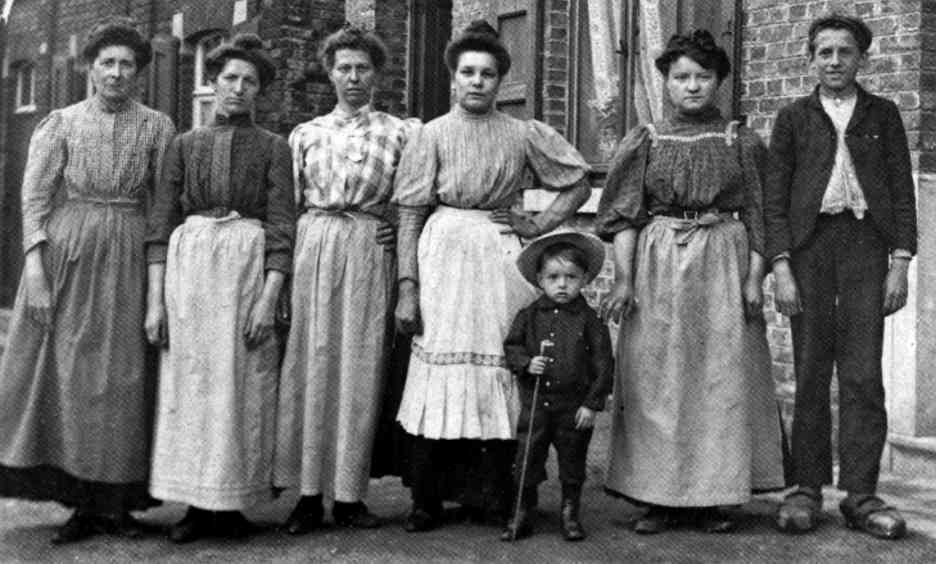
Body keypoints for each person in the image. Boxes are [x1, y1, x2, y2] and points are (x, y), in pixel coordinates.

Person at [393, 20, 591, 533]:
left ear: (500, 80)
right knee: (441, 368)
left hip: (499, 256)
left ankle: (497, 493)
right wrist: (408, 287)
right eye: (467, 72)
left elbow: (575, 181)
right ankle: (428, 498)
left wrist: (541, 224)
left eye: (487, 73)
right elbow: (411, 214)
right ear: (453, 79)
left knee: (501, 366)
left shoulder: (521, 133)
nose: (477, 81)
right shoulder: (430, 135)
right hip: (443, 255)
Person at [596, 29, 785, 534]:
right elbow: (622, 217)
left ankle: (712, 497)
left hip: (723, 255)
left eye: (703, 77)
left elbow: (763, 216)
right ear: (666, 83)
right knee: (658, 379)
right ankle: (657, 496)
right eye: (682, 77)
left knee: (717, 378)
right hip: (659, 261)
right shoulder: (646, 139)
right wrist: (623, 281)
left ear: (720, 81)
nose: (693, 87)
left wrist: (753, 280)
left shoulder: (739, 140)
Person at [0, 17, 174, 544]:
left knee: (120, 379)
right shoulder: (61, 123)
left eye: (126, 64)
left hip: (127, 252)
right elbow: (34, 198)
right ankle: (78, 501)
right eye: (107, 63)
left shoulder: (158, 127)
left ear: (139, 72)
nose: (117, 73)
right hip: (66, 254)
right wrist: (34, 267)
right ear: (90, 68)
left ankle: (115, 501)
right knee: (69, 375)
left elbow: (162, 208)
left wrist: (156, 285)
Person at [764, 15, 916, 540]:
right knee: (809, 372)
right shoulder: (793, 118)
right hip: (809, 251)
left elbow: (901, 191)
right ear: (811, 59)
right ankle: (806, 489)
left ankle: (860, 493)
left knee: (861, 375)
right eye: (824, 52)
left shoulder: (884, 114)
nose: (834, 62)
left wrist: (900, 262)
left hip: (865, 250)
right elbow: (775, 199)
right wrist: (780, 266)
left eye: (844, 52)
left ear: (862, 59)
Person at [145, 33, 295, 543]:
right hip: (191, 273)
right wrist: (155, 301)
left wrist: (267, 299)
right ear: (212, 83)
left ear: (260, 91)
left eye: (249, 81)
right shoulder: (183, 145)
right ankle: (193, 505)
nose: (238, 88)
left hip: (246, 272)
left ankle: (231, 505)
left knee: (241, 385)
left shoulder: (275, 149)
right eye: (229, 78)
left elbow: (281, 229)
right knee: (192, 387)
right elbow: (160, 225)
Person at [274, 25, 418, 533]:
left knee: (360, 368)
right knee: (310, 366)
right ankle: (309, 494)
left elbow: (413, 202)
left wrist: (393, 228)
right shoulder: (305, 134)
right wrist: (285, 275)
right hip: (315, 243)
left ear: (377, 74)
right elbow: (287, 209)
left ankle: (351, 495)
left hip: (366, 248)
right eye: (344, 68)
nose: (353, 77)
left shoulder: (401, 132)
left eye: (363, 68)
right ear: (330, 73)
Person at [500, 231, 613, 542]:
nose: (562, 285)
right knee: (527, 457)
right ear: (540, 279)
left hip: (573, 408)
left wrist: (591, 404)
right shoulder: (529, 317)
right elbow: (512, 347)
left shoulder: (590, 321)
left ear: (585, 279)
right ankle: (522, 512)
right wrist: (525, 363)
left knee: (572, 460)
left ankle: (569, 512)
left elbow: (604, 365)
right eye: (553, 277)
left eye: (571, 277)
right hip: (536, 405)